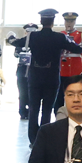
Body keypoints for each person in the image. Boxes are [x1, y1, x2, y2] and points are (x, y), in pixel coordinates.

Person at [22, 9, 71, 142]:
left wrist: (10, 37)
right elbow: (77, 49)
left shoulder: (32, 36)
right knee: (47, 110)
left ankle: (33, 139)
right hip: (51, 77)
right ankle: (43, 138)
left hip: (35, 77)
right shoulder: (59, 37)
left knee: (33, 109)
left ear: (41, 21)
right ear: (53, 22)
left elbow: (16, 43)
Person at [53, 11, 82, 115]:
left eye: (71, 21)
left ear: (75, 22)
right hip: (61, 68)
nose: (69, 23)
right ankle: (58, 116)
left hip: (75, 68)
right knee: (59, 95)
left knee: (76, 93)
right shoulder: (59, 35)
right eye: (67, 21)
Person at [8, 23, 37, 121]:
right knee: (22, 93)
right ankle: (22, 112)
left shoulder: (38, 43)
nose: (29, 33)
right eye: (28, 31)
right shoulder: (21, 43)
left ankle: (32, 111)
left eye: (32, 31)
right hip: (22, 71)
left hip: (33, 71)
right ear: (25, 32)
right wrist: (22, 52)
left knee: (32, 93)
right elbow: (16, 54)